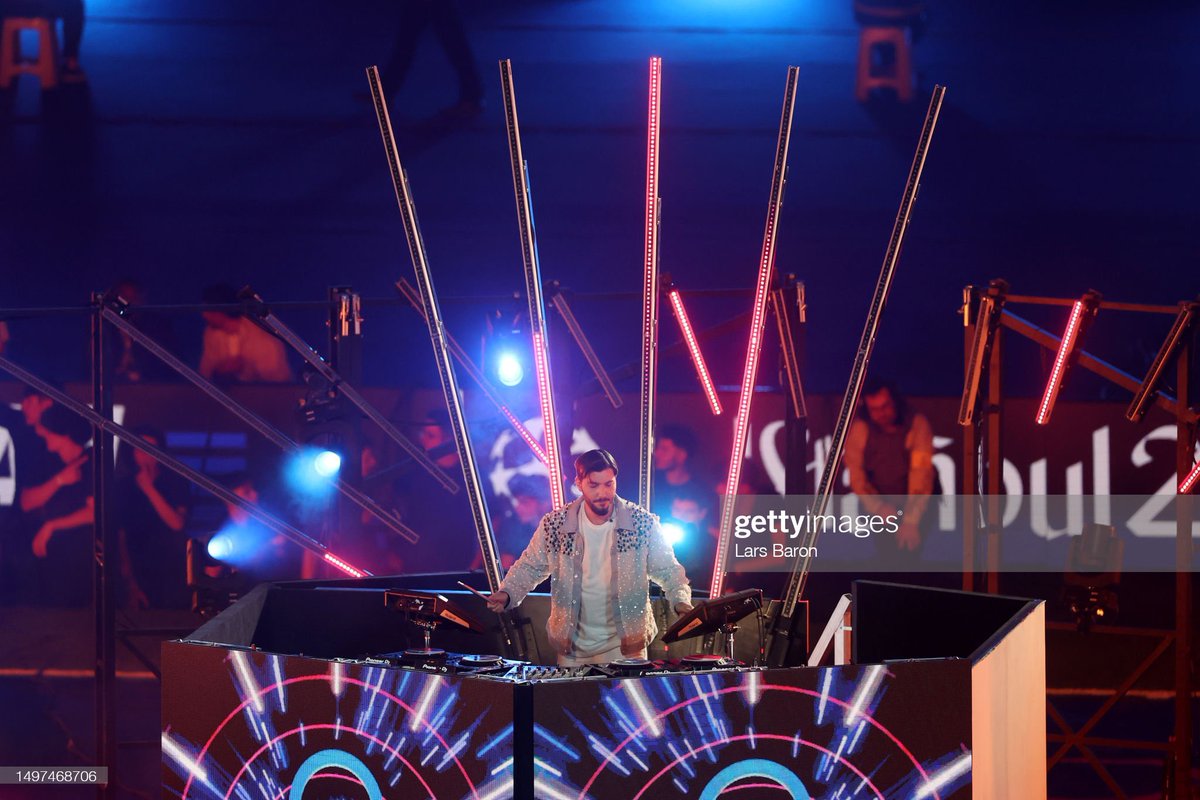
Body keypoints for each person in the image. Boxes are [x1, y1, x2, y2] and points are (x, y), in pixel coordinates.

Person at [486, 449, 693, 665]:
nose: (602, 493)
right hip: (571, 646)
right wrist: (507, 592)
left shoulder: (641, 523)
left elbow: (668, 570)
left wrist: (681, 601)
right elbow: (530, 567)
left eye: (609, 484)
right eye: (594, 485)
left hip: (625, 646)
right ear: (579, 483)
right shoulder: (556, 524)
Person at [843, 379, 935, 557]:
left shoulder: (916, 424)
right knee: (885, 555)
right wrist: (878, 507)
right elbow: (857, 476)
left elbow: (921, 475)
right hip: (879, 504)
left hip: (917, 505)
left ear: (895, 402)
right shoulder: (860, 429)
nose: (881, 414)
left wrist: (911, 520)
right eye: (874, 409)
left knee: (912, 555)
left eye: (885, 406)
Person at [25, 405, 93, 606]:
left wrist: (52, 525)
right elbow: (27, 502)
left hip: (80, 560)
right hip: (48, 559)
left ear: (63, 433)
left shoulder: (91, 463)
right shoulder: (47, 461)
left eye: (47, 430)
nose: (42, 433)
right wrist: (59, 481)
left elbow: (95, 512)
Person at [115, 427, 190, 609]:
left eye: (151, 447)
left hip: (172, 564)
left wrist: (149, 489)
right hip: (138, 563)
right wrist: (129, 578)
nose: (145, 453)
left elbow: (177, 523)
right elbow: (120, 534)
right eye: (140, 447)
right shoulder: (123, 486)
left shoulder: (175, 481)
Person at [198, 284, 293, 384]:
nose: (204, 315)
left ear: (221, 310)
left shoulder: (260, 332)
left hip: (262, 395)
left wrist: (245, 367)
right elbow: (205, 373)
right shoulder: (211, 334)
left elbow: (276, 378)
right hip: (223, 394)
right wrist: (219, 372)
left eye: (207, 310)